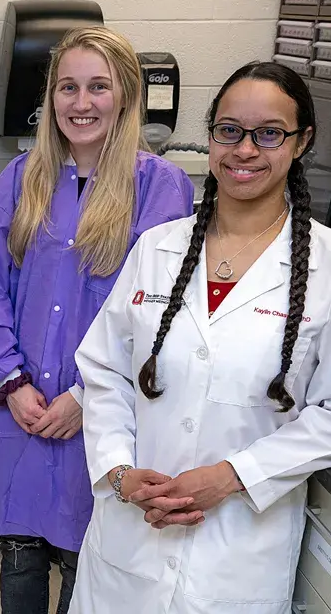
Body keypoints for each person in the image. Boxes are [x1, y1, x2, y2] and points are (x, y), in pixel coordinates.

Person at [70, 62, 331, 613]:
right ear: (211, 136)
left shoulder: (326, 268)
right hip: (131, 539)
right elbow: (105, 372)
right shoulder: (158, 248)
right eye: (229, 130)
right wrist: (119, 472)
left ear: (302, 141)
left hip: (239, 550)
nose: (245, 151)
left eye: (269, 134)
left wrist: (232, 476)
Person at [0, 26, 194, 614]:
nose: (81, 103)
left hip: (103, 413)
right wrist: (12, 382)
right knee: (19, 559)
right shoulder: (22, 179)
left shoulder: (160, 187)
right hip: (20, 406)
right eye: (68, 87)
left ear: (126, 95)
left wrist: (87, 396)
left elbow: (158, 312)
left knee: (85, 563)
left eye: (98, 87)